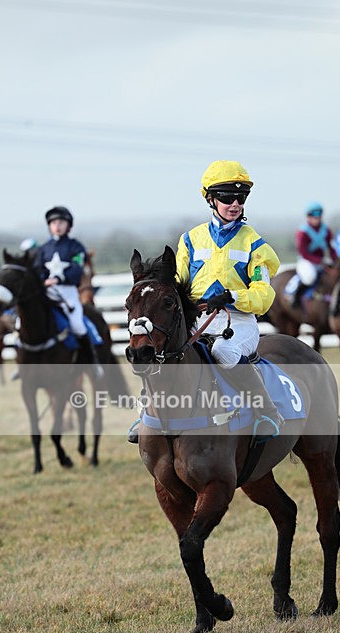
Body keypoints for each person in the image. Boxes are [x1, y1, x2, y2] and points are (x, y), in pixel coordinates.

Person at [132, 160, 283, 442]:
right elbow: (176, 284)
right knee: (161, 349)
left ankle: (266, 412)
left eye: (241, 197)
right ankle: (146, 415)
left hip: (237, 323)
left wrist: (232, 296)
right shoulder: (190, 239)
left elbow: (264, 296)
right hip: (196, 321)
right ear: (211, 199)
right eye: (227, 197)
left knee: (223, 351)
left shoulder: (257, 245)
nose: (235, 203)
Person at [34, 206, 102, 373]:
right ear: (49, 226)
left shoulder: (76, 247)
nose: (57, 225)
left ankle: (92, 363)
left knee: (78, 325)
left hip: (67, 292)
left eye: (61, 222)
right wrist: (41, 281)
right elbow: (36, 270)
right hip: (46, 293)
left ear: (68, 226)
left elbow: (77, 268)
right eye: (54, 222)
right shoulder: (43, 249)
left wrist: (58, 279)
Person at [287, 201, 337, 307]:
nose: (317, 218)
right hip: (306, 261)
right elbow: (303, 252)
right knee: (310, 276)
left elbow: (331, 248)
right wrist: (320, 261)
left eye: (319, 214)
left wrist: (334, 260)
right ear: (308, 216)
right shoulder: (303, 232)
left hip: (322, 260)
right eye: (314, 215)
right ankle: (294, 294)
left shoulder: (326, 230)